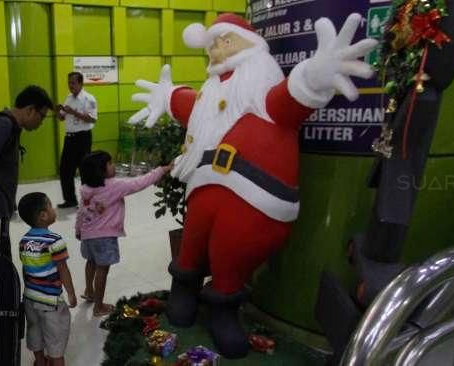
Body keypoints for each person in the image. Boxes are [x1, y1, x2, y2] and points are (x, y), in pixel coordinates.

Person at [128, 13, 376, 357]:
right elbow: (193, 106)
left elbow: (291, 96)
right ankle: (183, 291)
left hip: (254, 199)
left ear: (254, 47)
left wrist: (315, 76)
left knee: (231, 255)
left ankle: (223, 311)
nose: (218, 48)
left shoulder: (262, 89)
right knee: (191, 248)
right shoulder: (209, 95)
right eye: (213, 43)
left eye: (226, 39)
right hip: (201, 191)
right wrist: (167, 96)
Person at [75, 151, 170, 316]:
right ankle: (99, 307)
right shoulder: (114, 186)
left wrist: (78, 230)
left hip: (87, 235)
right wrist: (161, 170)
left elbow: (81, 212)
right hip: (104, 237)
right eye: (110, 163)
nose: (113, 166)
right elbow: (140, 182)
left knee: (91, 262)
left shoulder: (86, 188)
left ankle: (89, 291)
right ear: (101, 170)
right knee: (102, 270)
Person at [0, 85, 53, 259]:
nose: (41, 122)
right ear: (31, 110)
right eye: (42, 116)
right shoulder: (3, 125)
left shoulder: (11, 127)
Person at [18, 192, 76, 366]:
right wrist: (71, 293)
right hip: (51, 301)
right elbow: (63, 270)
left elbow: (26, 269)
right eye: (50, 206)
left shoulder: (24, 241)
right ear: (43, 215)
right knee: (56, 338)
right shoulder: (54, 241)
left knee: (35, 331)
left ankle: (40, 362)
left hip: (30, 298)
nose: (54, 209)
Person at [56, 72, 98, 209]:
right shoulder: (68, 98)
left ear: (80, 83)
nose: (70, 86)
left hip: (83, 138)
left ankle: (86, 201)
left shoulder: (88, 98)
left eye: (73, 83)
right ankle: (70, 200)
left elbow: (92, 119)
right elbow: (62, 118)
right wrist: (58, 112)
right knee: (65, 170)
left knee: (84, 170)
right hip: (69, 138)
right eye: (69, 83)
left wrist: (74, 113)